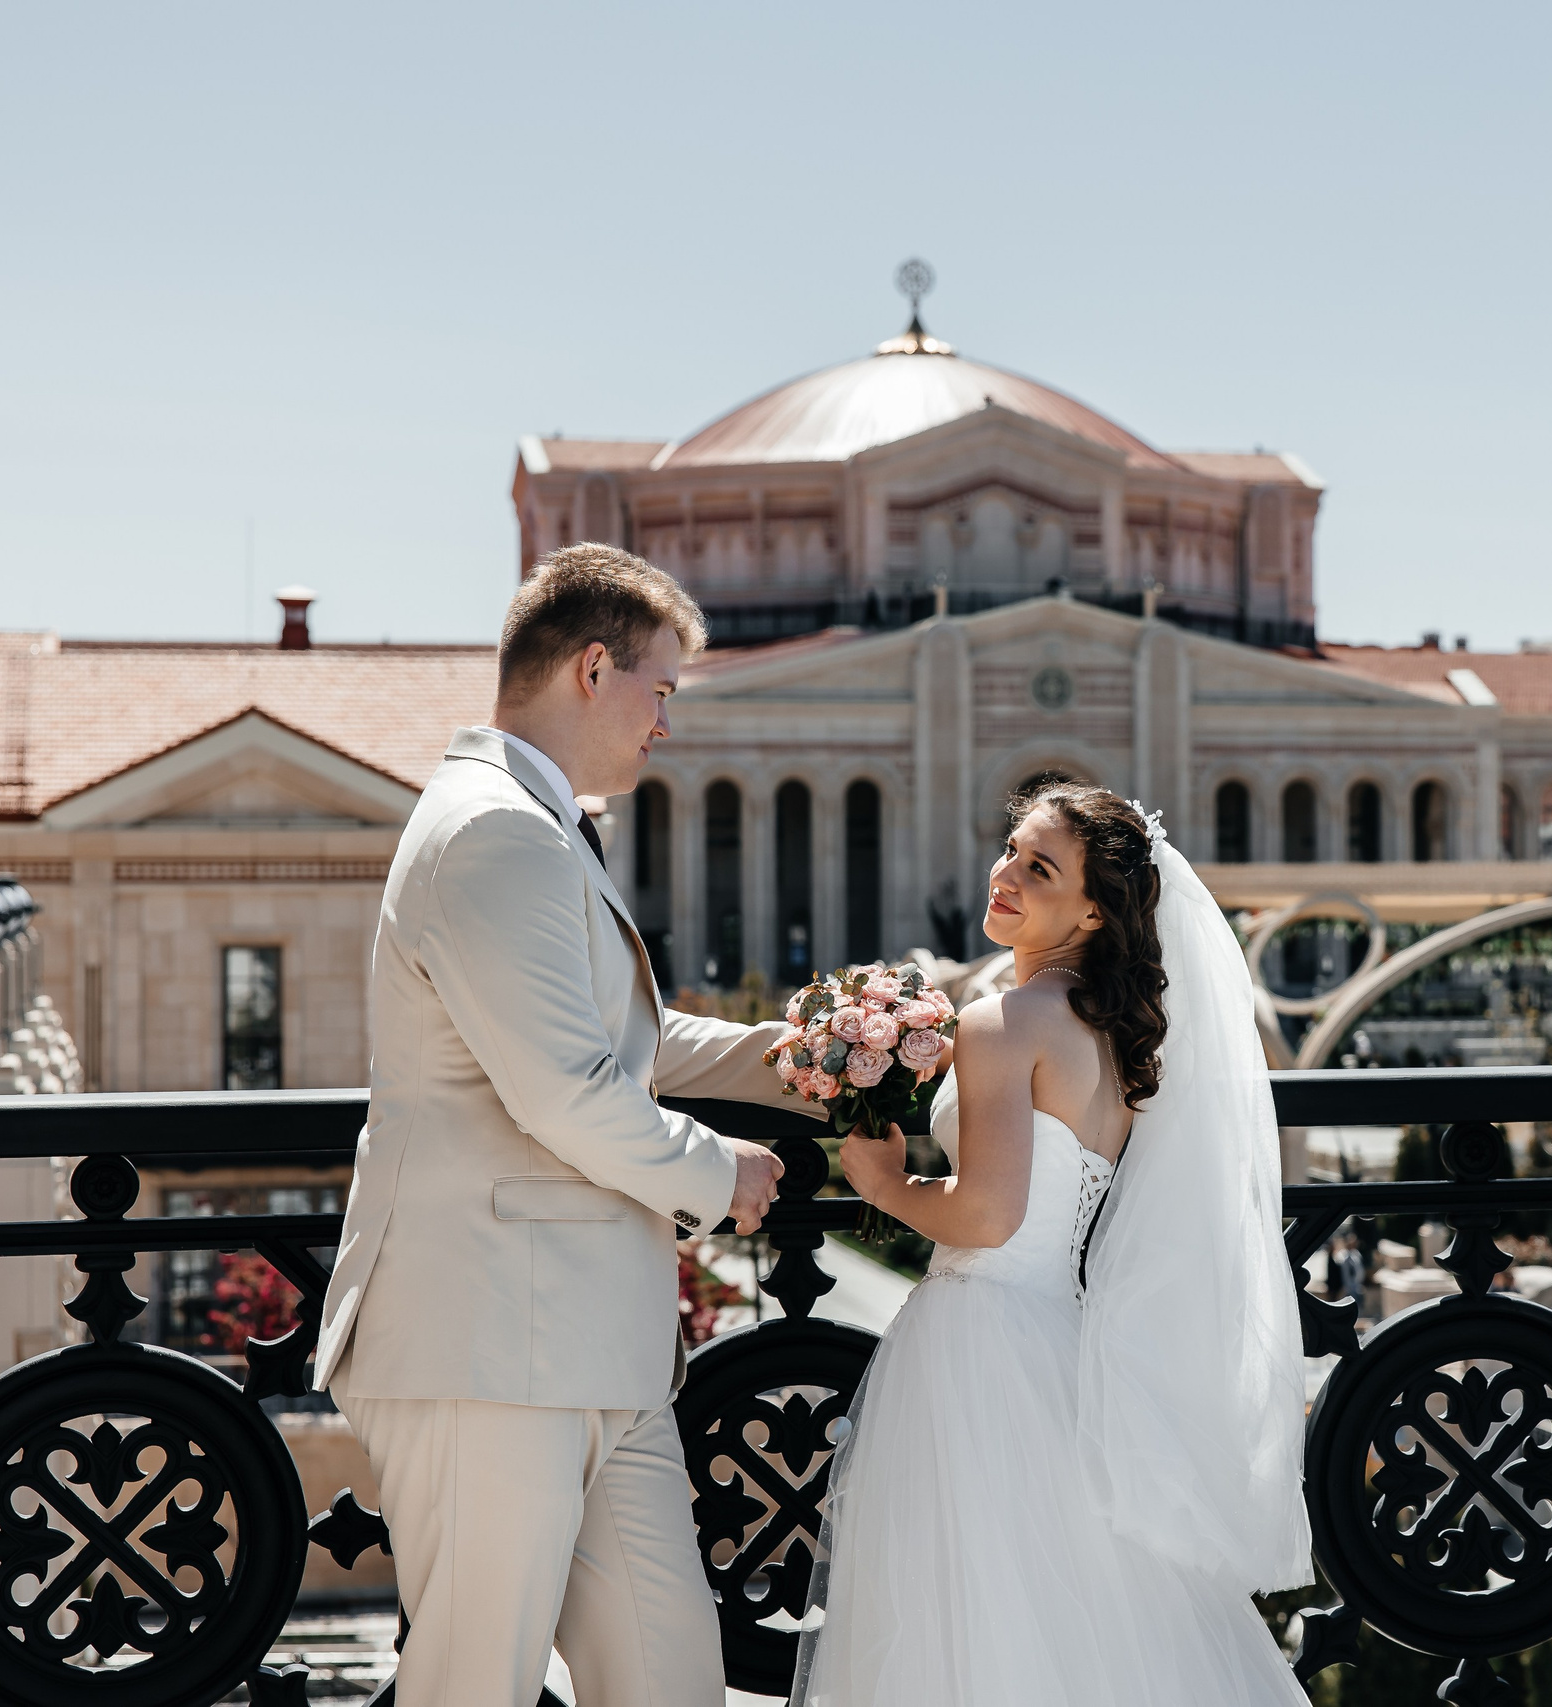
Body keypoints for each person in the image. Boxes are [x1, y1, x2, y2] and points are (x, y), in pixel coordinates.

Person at [311, 545, 797, 1707]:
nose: (666, 721)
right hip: (489, 1349)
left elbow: (621, 1038)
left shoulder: (535, 822)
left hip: (592, 1352)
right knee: (471, 1688)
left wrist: (802, 1063)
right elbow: (567, 1089)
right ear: (593, 669)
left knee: (674, 1682)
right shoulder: (493, 830)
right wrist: (717, 1167)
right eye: (661, 689)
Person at [798, 782, 1310, 1705]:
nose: (1005, 875)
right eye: (1010, 848)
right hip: (1059, 1343)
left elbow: (989, 1215)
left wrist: (884, 1182)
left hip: (979, 1339)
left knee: (966, 1622)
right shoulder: (1109, 1031)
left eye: (1040, 867)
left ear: (1093, 908)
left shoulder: (1005, 1020)